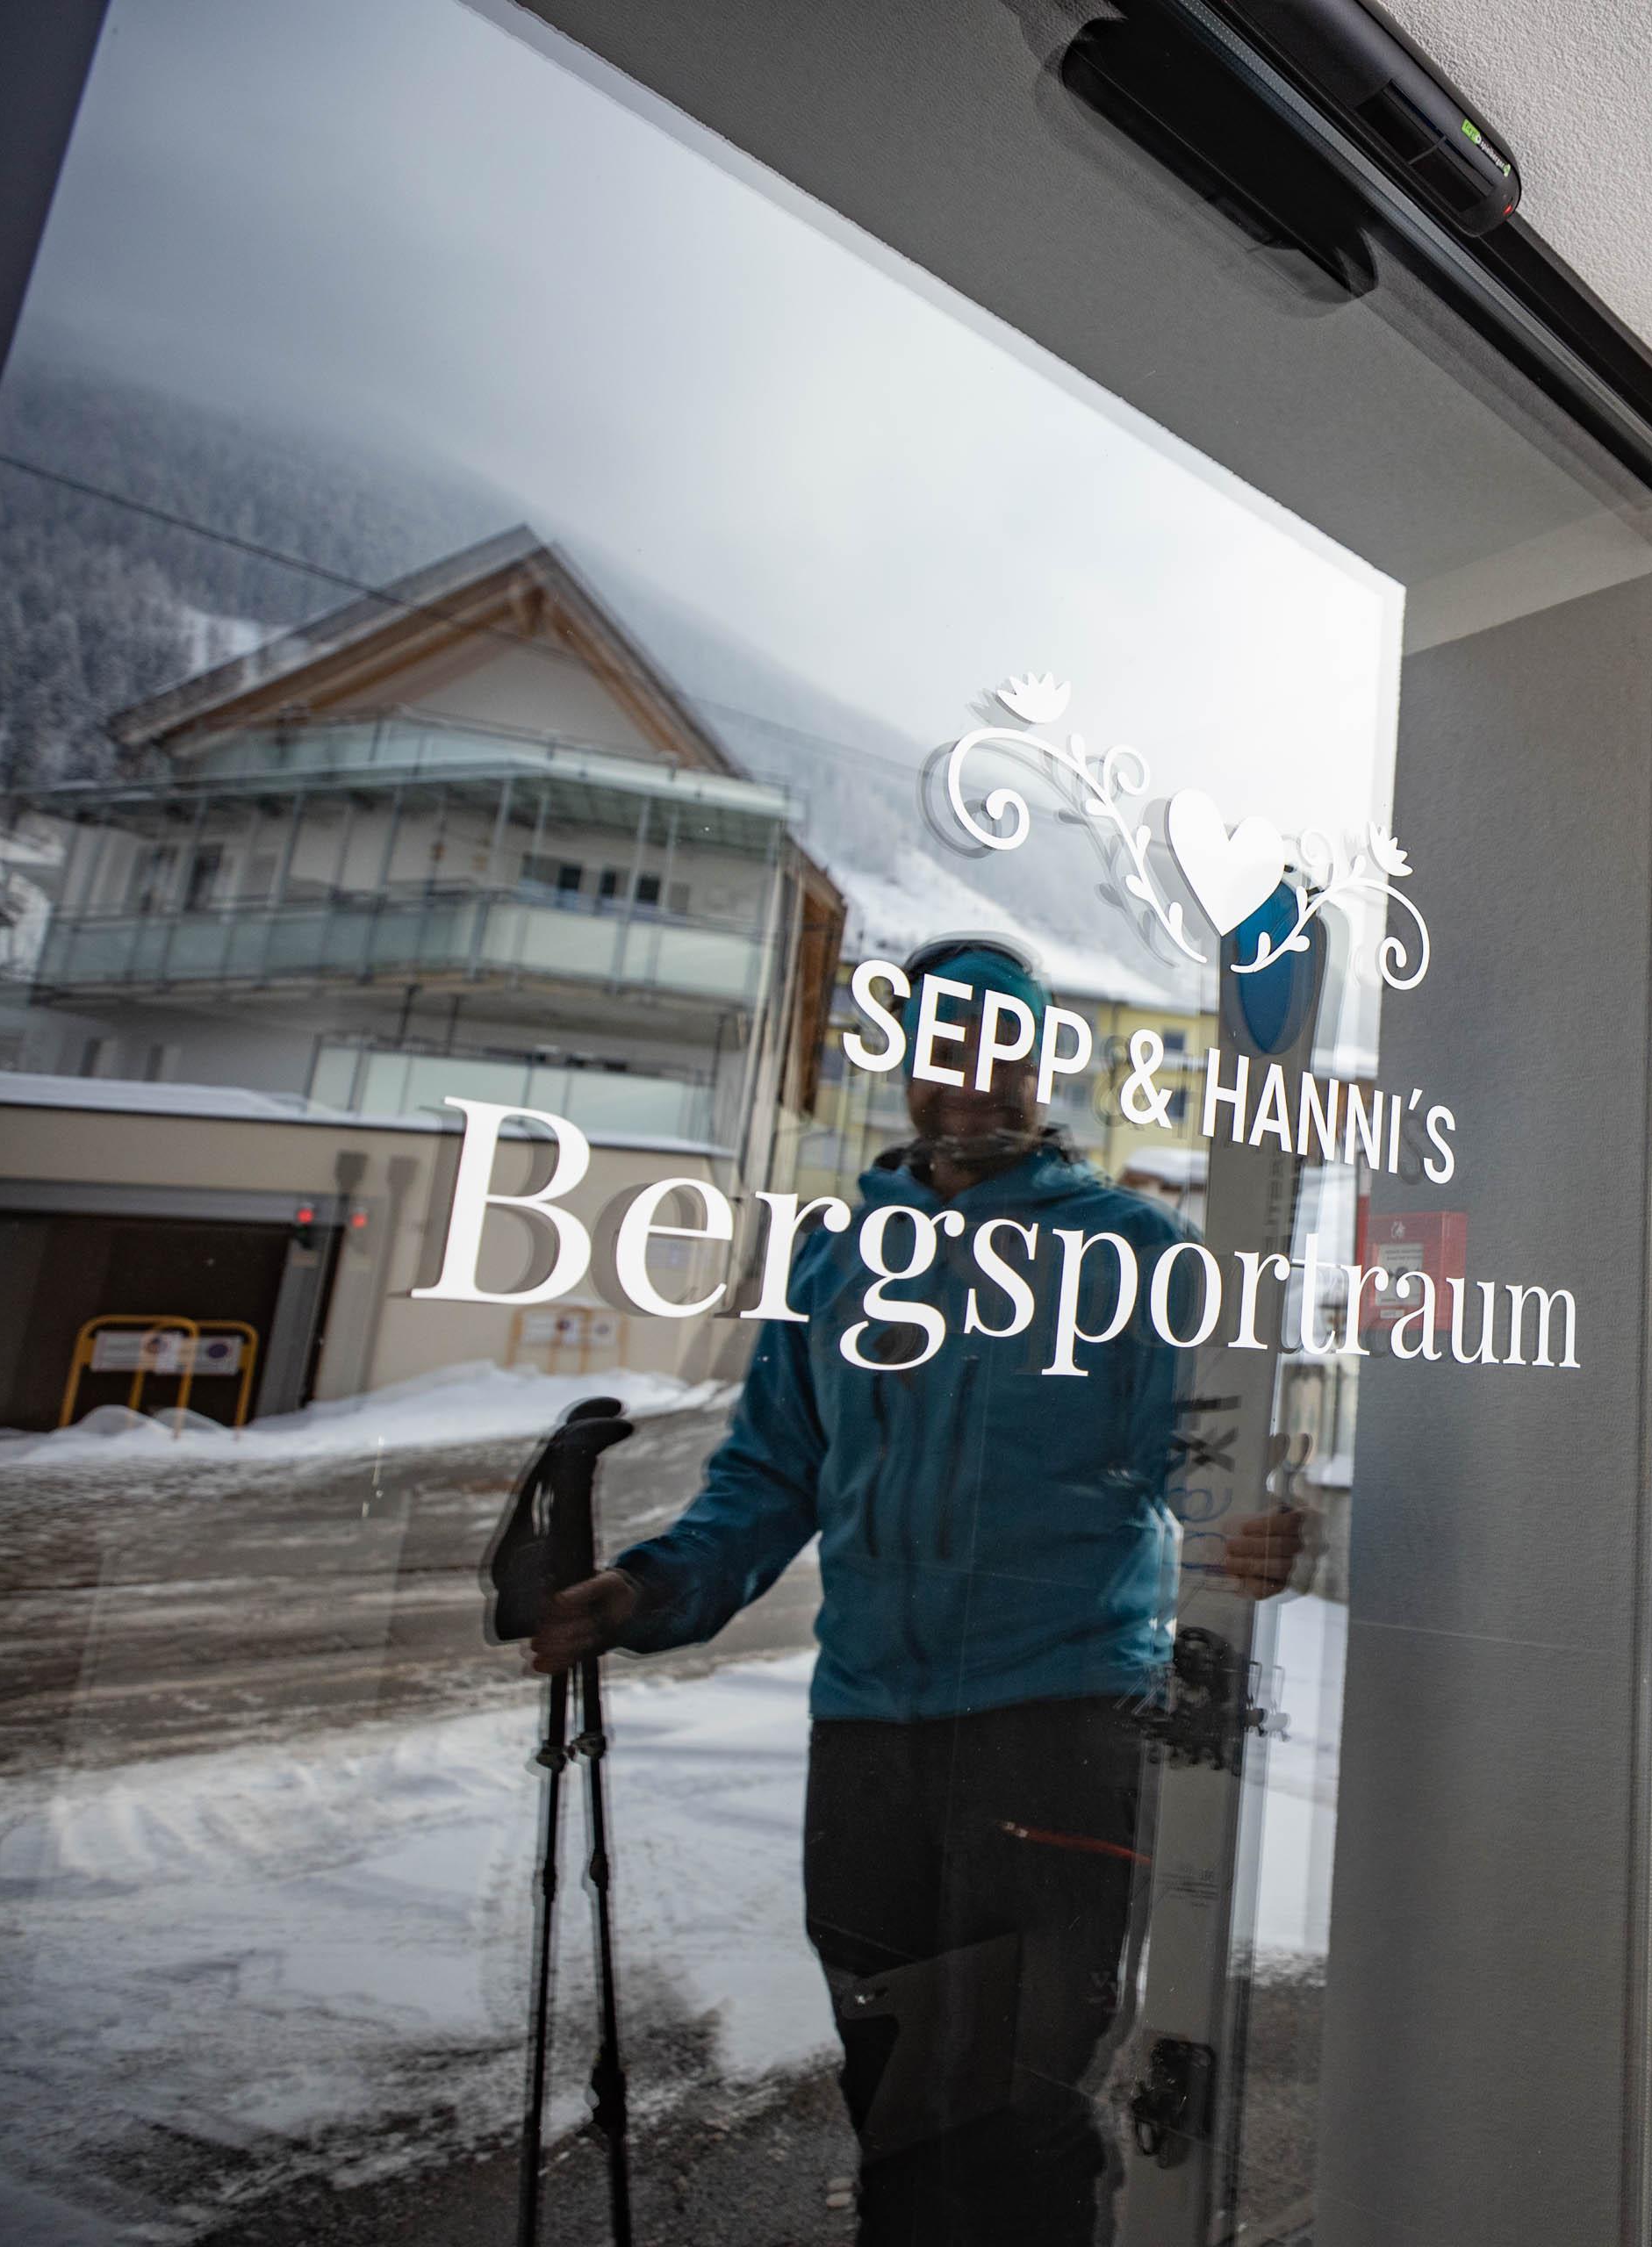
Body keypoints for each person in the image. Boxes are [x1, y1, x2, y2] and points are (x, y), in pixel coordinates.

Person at [530, 936, 1297, 2245]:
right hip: (871, 1738)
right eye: (947, 1047)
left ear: (1044, 1065)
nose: (975, 1076)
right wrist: (649, 1592)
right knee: (893, 2101)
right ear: (906, 1066)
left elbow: (1204, 1467)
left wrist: (1260, 1533)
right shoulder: (839, 1259)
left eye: (1005, 1047)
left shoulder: (1131, 1249)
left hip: (1058, 1726)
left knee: (1026, 2108)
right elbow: (772, 1474)